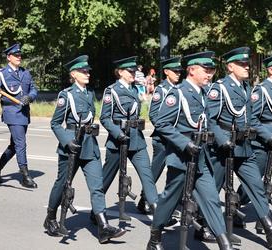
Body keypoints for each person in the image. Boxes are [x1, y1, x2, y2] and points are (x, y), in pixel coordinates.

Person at [147, 51, 233, 250]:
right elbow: (162, 123)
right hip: (181, 157)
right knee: (169, 199)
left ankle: (224, 243)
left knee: (211, 198)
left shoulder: (203, 93)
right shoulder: (178, 93)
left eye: (212, 70)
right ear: (192, 70)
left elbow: (209, 122)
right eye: (206, 70)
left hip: (200, 156)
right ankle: (155, 238)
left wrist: (223, 141)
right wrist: (184, 143)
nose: (210, 74)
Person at [206, 47, 272, 249]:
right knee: (212, 189)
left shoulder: (247, 89)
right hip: (224, 148)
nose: (247, 67)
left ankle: (270, 230)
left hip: (244, 146)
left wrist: (266, 136)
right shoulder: (220, 88)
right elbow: (211, 121)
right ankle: (203, 226)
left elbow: (252, 121)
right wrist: (223, 140)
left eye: (247, 64)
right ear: (230, 67)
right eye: (242, 64)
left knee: (256, 187)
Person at [43, 55, 126, 243]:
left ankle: (103, 227)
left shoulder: (89, 93)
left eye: (88, 71)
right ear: (73, 74)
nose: (87, 73)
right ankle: (50, 217)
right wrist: (67, 141)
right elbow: (56, 123)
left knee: (97, 187)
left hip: (90, 146)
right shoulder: (67, 95)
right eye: (83, 71)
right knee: (62, 183)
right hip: (72, 147)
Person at [99, 56, 158, 218]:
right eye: (129, 71)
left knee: (147, 176)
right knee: (106, 178)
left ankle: (158, 213)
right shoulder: (112, 91)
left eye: (134, 71)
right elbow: (104, 118)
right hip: (118, 140)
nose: (133, 73)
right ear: (120, 72)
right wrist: (118, 134)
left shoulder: (134, 90)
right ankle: (96, 211)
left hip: (137, 140)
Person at [236, 52, 272, 228]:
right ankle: (235, 206)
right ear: (271, 69)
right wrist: (268, 136)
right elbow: (252, 119)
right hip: (263, 145)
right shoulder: (261, 90)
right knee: (252, 184)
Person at [137, 57, 182, 215]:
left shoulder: (179, 89)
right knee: (155, 170)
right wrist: (168, 131)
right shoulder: (161, 90)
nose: (178, 74)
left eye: (179, 71)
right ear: (166, 72)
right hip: (162, 140)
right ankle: (144, 200)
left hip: (176, 138)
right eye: (175, 71)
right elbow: (154, 115)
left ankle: (172, 201)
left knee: (175, 170)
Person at [0, 43, 38, 188]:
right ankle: (25, 175)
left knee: (14, 145)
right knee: (20, 143)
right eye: (16, 55)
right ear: (8, 57)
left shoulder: (25, 73)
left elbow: (34, 89)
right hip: (12, 113)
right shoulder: (1, 73)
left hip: (24, 113)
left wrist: (29, 97)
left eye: (20, 55)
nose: (19, 57)